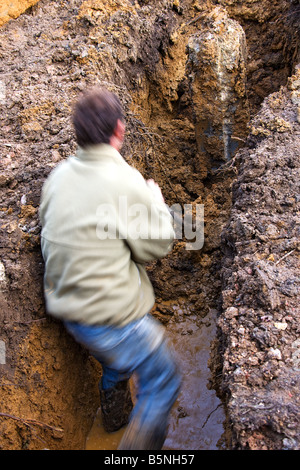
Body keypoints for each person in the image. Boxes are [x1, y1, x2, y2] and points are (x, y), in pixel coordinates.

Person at [39, 87, 181, 450]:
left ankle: (115, 418)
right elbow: (156, 247)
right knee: (163, 379)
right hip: (110, 320)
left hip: (71, 313)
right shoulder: (124, 180)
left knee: (116, 357)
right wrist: (156, 203)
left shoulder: (56, 178)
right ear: (119, 129)